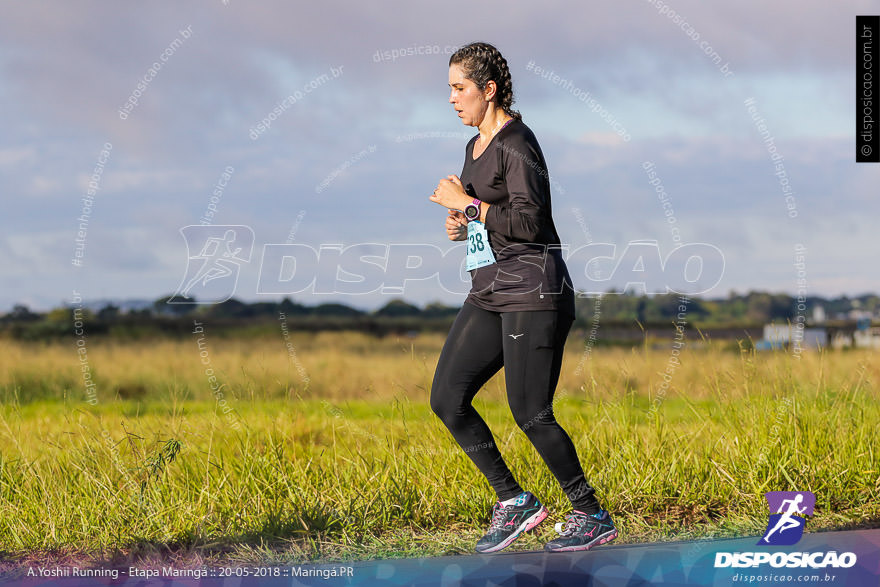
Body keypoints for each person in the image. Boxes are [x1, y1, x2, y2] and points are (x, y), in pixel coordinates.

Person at [428, 41, 617, 554]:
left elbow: (532, 223)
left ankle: (590, 513)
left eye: (459, 88)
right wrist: (460, 221)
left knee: (530, 411)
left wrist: (466, 205)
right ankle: (515, 502)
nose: (451, 98)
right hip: (489, 291)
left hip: (533, 291)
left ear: (488, 91)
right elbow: (487, 218)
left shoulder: (517, 143)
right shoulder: (473, 149)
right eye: (450, 88)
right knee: (446, 398)